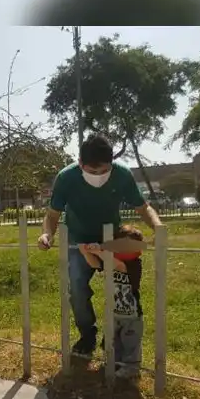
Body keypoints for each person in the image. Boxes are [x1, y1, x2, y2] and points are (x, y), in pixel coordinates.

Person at [36, 133, 163, 356]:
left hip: (112, 239)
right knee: (76, 288)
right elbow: (52, 215)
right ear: (80, 163)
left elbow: (143, 208)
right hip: (79, 241)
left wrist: (158, 227)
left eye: (104, 171)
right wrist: (47, 235)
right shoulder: (66, 178)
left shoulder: (122, 174)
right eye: (92, 172)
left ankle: (114, 335)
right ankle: (87, 336)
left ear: (111, 163)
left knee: (121, 288)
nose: (99, 176)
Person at [77, 225, 145, 378]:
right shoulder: (110, 259)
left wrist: (100, 252)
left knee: (130, 342)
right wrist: (86, 252)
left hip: (131, 314)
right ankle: (116, 363)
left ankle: (131, 368)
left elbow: (120, 266)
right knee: (114, 340)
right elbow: (95, 264)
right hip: (113, 312)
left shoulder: (135, 263)